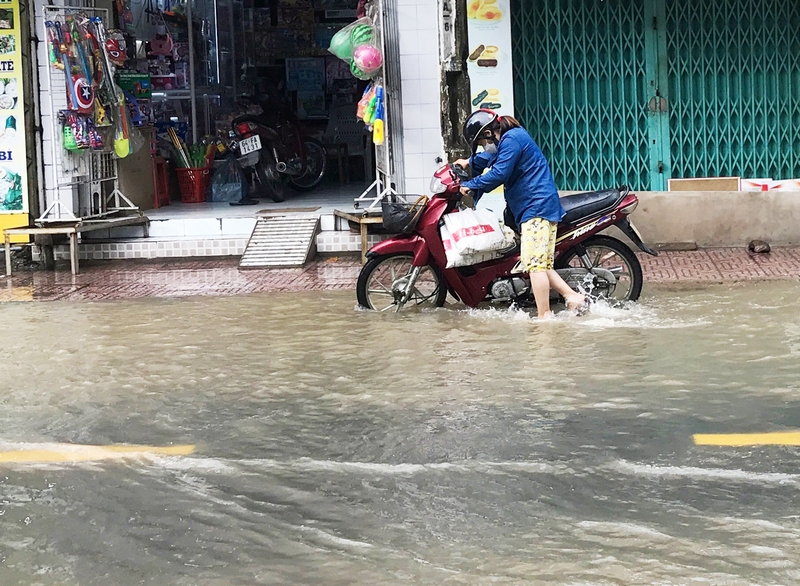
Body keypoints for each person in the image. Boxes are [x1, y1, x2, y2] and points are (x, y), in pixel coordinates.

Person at [454, 109, 586, 319]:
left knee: (535, 266)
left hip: (536, 207)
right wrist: (468, 162)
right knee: (538, 262)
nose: (483, 147)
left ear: (488, 134)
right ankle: (572, 297)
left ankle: (544, 317)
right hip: (534, 207)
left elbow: (499, 172)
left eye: (480, 142)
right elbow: (490, 157)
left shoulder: (512, 139)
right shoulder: (508, 139)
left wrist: (471, 184)